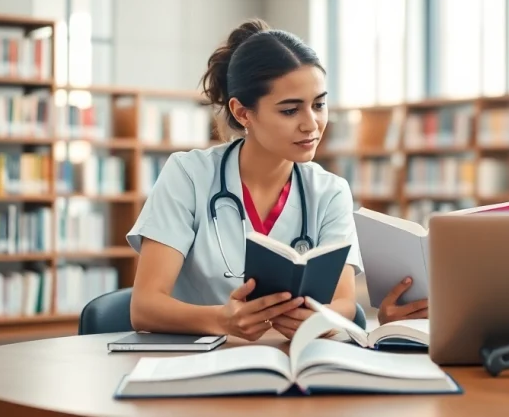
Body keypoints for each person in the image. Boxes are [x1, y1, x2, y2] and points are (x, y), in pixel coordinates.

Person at [126, 19, 363, 341]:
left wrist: (323, 318)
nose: (312, 125)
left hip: (290, 360)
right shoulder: (188, 175)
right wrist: (221, 320)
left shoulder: (330, 191)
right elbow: (145, 308)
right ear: (242, 113)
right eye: (290, 111)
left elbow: (345, 303)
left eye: (319, 105)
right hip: (198, 363)